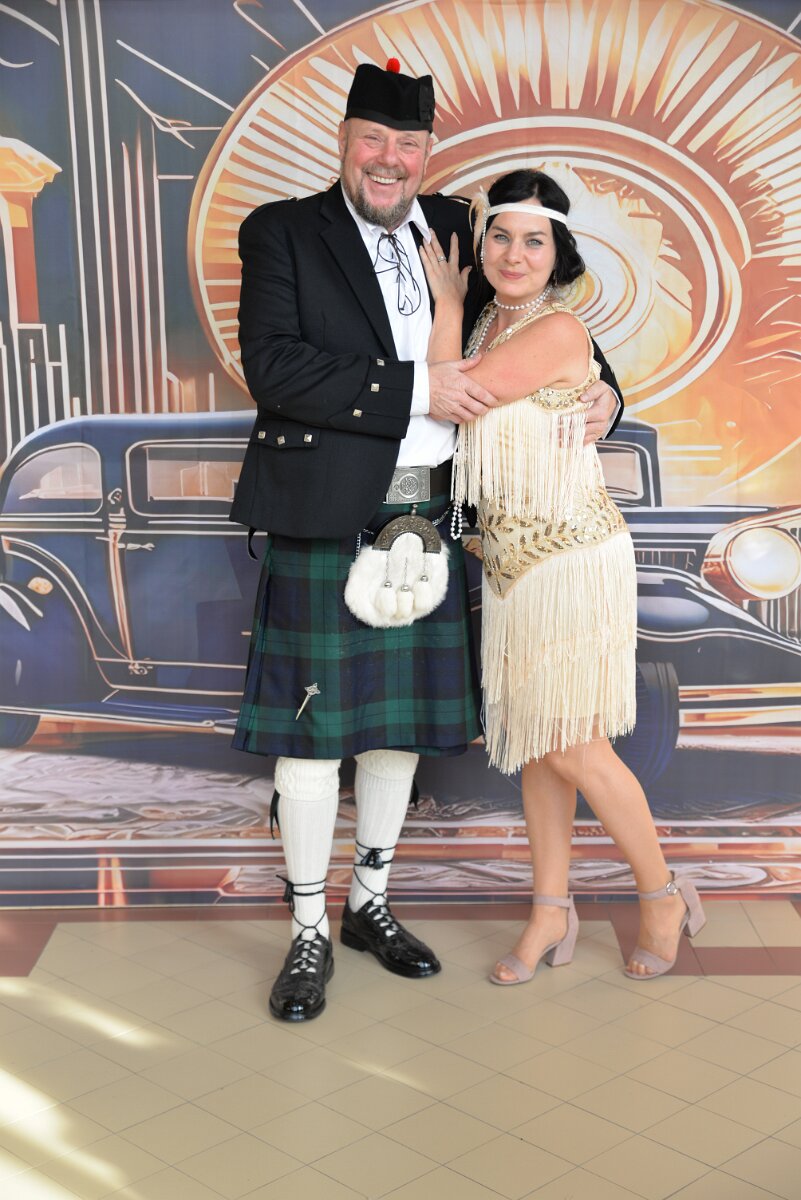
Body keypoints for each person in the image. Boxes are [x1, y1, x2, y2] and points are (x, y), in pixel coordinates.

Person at [231, 63, 622, 1022]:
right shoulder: (283, 231)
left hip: (433, 516)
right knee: (311, 742)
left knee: (395, 731)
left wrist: (610, 392)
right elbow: (273, 368)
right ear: (344, 140)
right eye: (373, 139)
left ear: (426, 154)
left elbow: (541, 312)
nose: (389, 159)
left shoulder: (458, 224)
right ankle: (307, 930)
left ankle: (368, 904)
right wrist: (419, 390)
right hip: (326, 512)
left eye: (407, 145)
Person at [420, 168, 706, 982]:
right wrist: (461, 310)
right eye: (500, 237)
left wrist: (447, 302)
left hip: (570, 559)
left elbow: (450, 396)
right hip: (508, 563)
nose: (514, 255)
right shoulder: (491, 322)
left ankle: (661, 893)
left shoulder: (551, 327)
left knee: (575, 747)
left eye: (533, 242)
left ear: (558, 255)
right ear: (482, 243)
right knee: (539, 746)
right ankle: (550, 910)